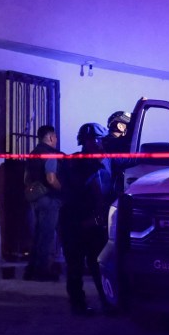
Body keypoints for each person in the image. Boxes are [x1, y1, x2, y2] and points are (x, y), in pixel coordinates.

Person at [59, 123, 114, 316]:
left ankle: (108, 303)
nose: (99, 144)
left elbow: (129, 159)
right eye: (95, 140)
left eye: (100, 140)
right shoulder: (74, 162)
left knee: (98, 265)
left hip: (94, 223)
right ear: (85, 141)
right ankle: (79, 306)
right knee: (75, 266)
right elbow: (77, 187)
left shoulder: (105, 160)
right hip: (74, 222)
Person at [23, 125, 63, 281]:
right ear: (51, 137)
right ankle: (42, 271)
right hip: (50, 198)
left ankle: (30, 270)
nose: (56, 140)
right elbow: (51, 179)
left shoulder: (33, 154)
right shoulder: (50, 154)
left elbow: (26, 179)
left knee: (38, 235)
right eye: (56, 137)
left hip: (36, 199)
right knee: (46, 236)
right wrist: (63, 189)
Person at [103, 110, 132, 195]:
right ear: (120, 126)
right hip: (110, 191)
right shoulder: (111, 143)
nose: (129, 130)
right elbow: (120, 159)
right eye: (128, 126)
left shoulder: (109, 141)